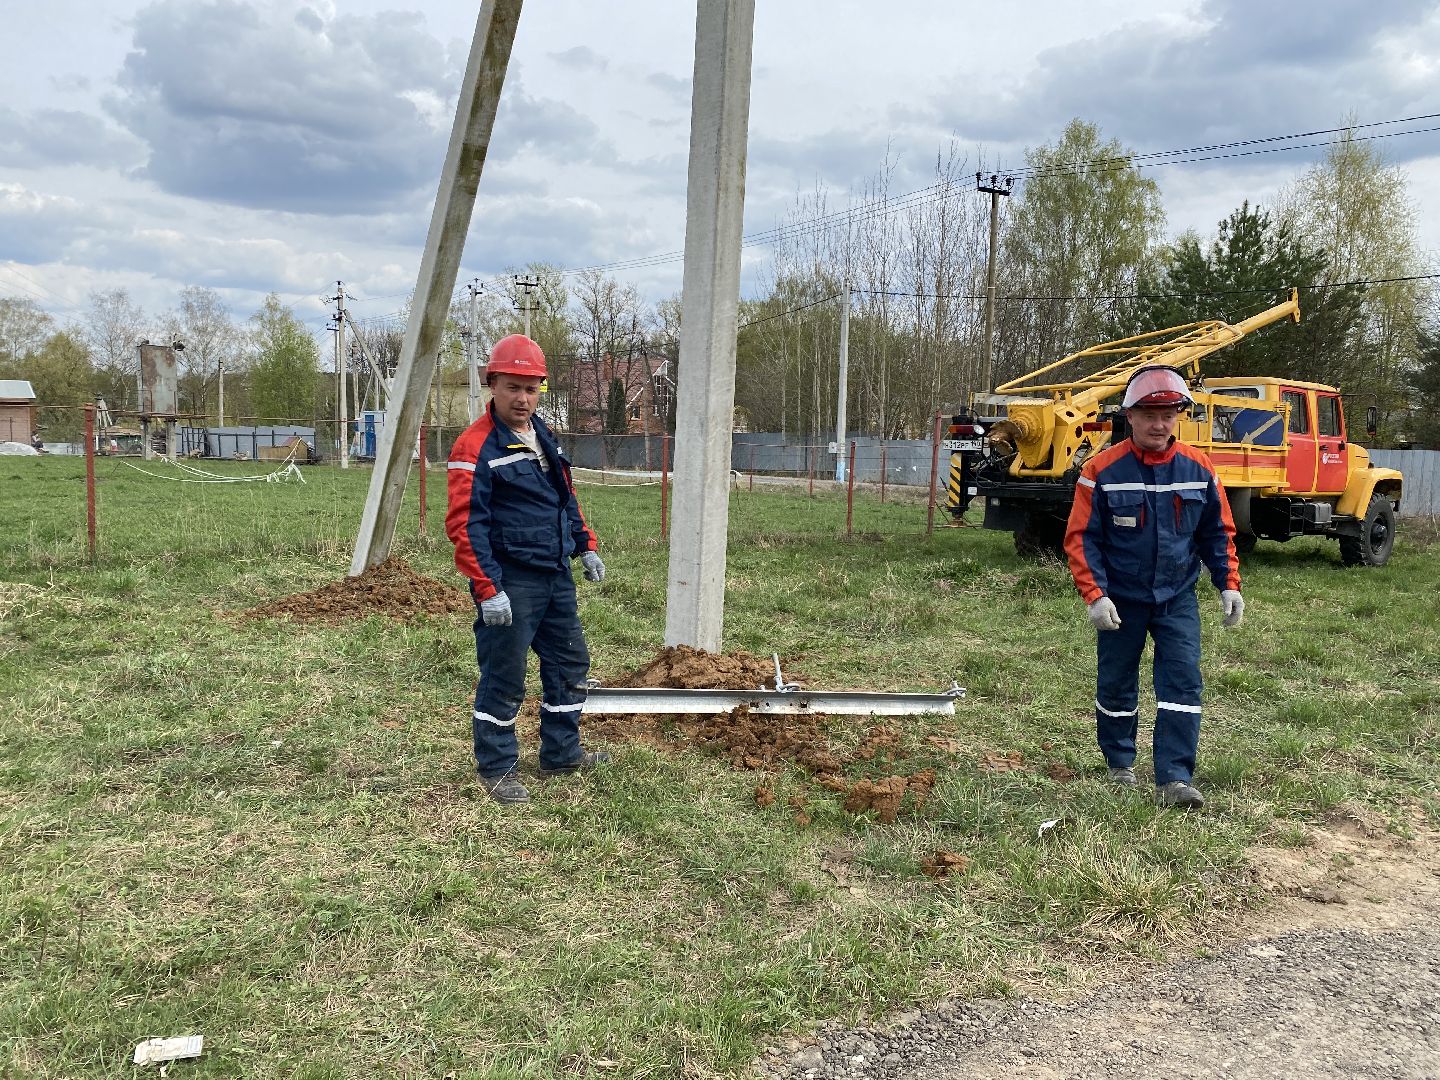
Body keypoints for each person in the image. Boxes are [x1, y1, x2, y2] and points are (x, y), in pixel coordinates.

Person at [1063, 365, 1244, 809]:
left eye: (1168, 414)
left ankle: (1175, 778)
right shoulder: (1101, 470)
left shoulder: (1198, 468)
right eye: (1148, 414)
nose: (1158, 424)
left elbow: (1216, 533)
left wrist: (1228, 584)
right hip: (1120, 601)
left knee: (1183, 683)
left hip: (1176, 598)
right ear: (1129, 415)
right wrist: (1095, 595)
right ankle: (1120, 765)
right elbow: (1082, 538)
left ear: (1180, 415)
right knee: (1117, 683)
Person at [445, 334, 609, 805]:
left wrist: (585, 545)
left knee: (569, 662)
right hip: (511, 581)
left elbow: (564, 499)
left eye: (532, 388)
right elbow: (464, 523)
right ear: (492, 385)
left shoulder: (543, 436)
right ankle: (497, 767)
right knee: (505, 673)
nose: (522, 398)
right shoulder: (474, 446)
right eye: (513, 387)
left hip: (555, 575)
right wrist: (487, 587)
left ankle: (561, 753)